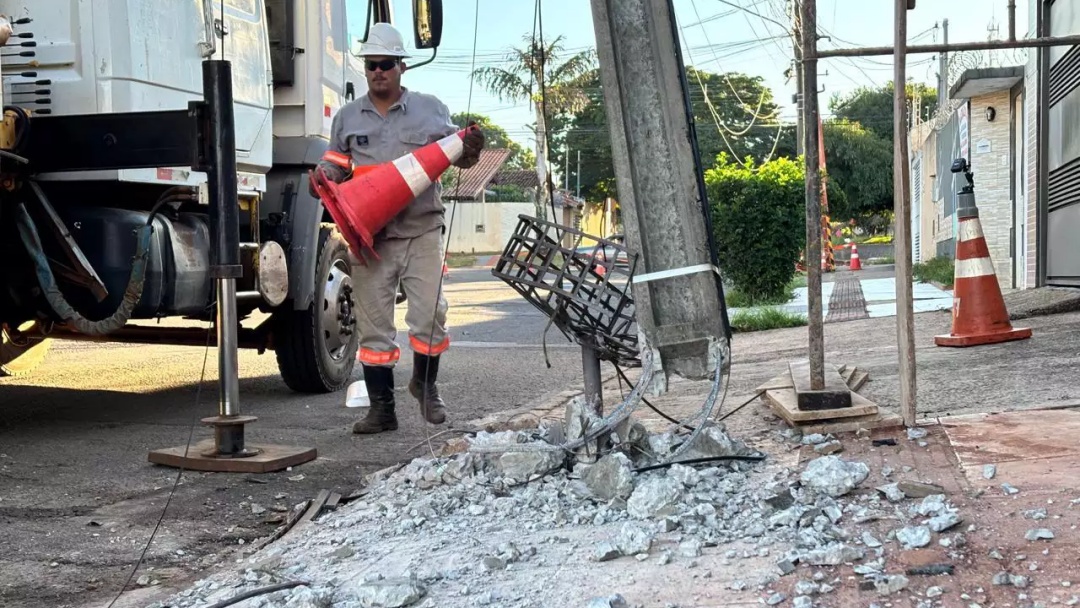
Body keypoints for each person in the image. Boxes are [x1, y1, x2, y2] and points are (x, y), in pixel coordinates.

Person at [312, 22, 484, 434]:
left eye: (385, 64)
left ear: (402, 66)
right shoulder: (349, 117)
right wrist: (325, 172)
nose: (377, 72)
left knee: (430, 317)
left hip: (421, 229)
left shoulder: (430, 109)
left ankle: (425, 386)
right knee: (374, 326)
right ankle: (382, 410)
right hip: (371, 236)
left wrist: (472, 150)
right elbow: (337, 161)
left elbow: (456, 156)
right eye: (371, 65)